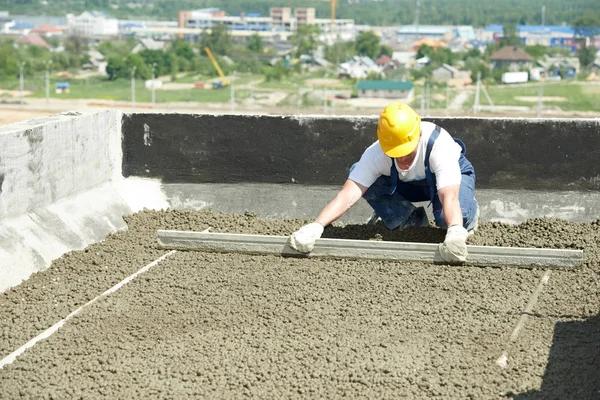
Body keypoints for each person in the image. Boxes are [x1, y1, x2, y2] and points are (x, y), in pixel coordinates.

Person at [289, 101, 479, 263]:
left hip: (444, 183)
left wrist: (455, 230)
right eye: (395, 152)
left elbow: (449, 196)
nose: (402, 157)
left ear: (418, 136)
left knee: (451, 219)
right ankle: (410, 220)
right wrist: (317, 226)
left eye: (407, 151)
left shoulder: (439, 146)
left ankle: (468, 217)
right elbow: (348, 194)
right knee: (357, 172)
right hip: (407, 185)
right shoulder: (377, 153)